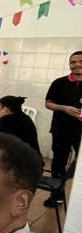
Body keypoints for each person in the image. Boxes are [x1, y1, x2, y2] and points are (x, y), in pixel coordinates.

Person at [44, 50, 82, 206]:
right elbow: (48, 103)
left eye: (80, 61)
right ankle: (56, 195)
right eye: (73, 62)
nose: (77, 65)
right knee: (58, 164)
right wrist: (64, 108)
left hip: (80, 133)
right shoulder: (59, 83)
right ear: (69, 65)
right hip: (61, 130)